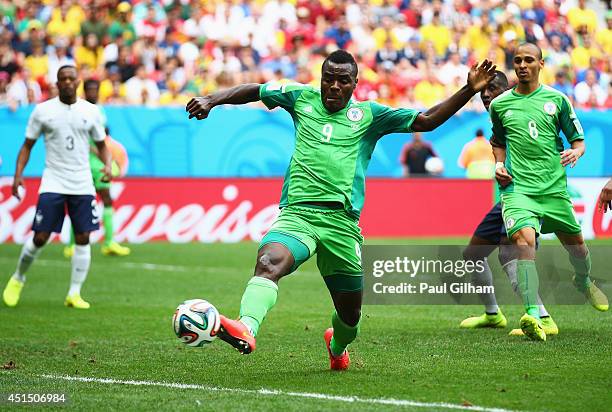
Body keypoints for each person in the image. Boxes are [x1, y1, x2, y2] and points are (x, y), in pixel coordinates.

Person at [186, 50, 497, 369]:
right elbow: (255, 89)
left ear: (355, 84)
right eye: (328, 79)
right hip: (298, 215)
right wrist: (211, 99)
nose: (334, 86)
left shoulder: (369, 116)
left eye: (342, 81)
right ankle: (247, 327)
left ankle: (337, 346)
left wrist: (469, 89)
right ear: (320, 79)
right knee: (269, 262)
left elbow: (426, 120)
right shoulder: (299, 97)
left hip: (342, 226)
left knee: (350, 318)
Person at [490, 43, 608, 341]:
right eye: (517, 61)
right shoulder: (500, 105)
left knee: (578, 247)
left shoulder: (558, 100)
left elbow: (578, 140)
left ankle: (582, 280)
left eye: (529, 60)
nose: (522, 65)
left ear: (541, 64)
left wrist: (576, 152)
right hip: (518, 190)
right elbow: (497, 140)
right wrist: (499, 164)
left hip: (553, 190)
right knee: (524, 241)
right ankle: (533, 313)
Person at [2, 65, 112, 309]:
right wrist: (18, 175)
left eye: (72, 78)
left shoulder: (91, 112)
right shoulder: (43, 111)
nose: (68, 82)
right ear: (57, 83)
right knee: (41, 236)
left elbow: (102, 144)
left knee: (83, 236)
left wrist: (107, 165)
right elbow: (27, 145)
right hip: (54, 180)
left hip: (82, 182)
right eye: (63, 79)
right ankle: (18, 278)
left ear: (78, 82)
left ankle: (74, 293)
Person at [460, 70, 557, 337]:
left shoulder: (524, 114)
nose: (487, 95)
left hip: (527, 197)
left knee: (509, 253)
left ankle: (543, 317)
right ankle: (493, 315)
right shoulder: (498, 121)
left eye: (493, 89)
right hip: (506, 199)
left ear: (508, 89)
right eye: (483, 92)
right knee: (473, 255)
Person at [64, 79, 130, 258]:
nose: (93, 92)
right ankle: (71, 245)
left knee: (107, 199)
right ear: (84, 91)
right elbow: (81, 137)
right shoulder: (79, 109)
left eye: (96, 89)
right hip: (83, 163)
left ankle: (109, 243)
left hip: (98, 164)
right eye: (90, 89)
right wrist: (100, 153)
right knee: (80, 202)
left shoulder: (100, 111)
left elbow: (101, 138)